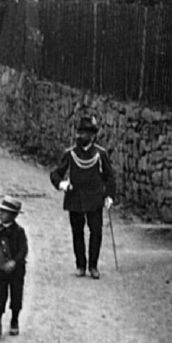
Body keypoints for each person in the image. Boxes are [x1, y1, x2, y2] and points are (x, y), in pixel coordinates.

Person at [49, 115, 115, 279]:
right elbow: (56, 173)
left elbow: (110, 177)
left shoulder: (100, 154)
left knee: (96, 231)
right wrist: (61, 184)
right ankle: (80, 265)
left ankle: (93, 266)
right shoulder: (70, 154)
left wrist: (109, 196)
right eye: (80, 132)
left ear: (92, 136)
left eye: (85, 133)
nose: (81, 136)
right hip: (75, 198)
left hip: (94, 198)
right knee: (77, 232)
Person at [0, 197, 29, 340]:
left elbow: (23, 250)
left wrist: (14, 262)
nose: (1, 214)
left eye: (5, 212)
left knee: (16, 296)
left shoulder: (19, 232)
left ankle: (14, 320)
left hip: (16, 271)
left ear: (14, 215)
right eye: (0, 211)